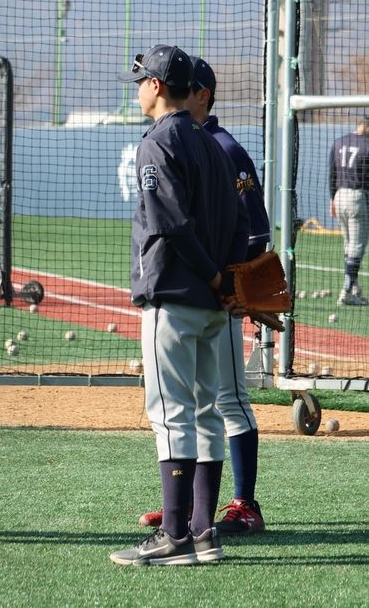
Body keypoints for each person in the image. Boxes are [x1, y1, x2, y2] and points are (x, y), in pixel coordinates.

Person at [109, 45, 249, 566]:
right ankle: (203, 532)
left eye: (142, 79)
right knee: (209, 415)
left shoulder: (159, 142)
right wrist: (227, 283)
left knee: (170, 415)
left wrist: (213, 276)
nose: (138, 87)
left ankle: (173, 537)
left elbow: (170, 224)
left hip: (175, 297)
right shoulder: (212, 145)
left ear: (158, 86)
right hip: (214, 306)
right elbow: (238, 226)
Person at [137, 56, 270, 535]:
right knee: (201, 406)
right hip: (208, 288)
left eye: (194, 86)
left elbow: (255, 229)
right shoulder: (197, 143)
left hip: (216, 294)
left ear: (202, 95)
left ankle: (243, 503)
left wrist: (231, 286)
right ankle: (195, 512)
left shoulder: (223, 148)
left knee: (226, 400)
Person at [329, 116, 369, 306]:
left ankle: (354, 289)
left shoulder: (339, 142)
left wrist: (332, 199)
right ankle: (345, 291)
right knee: (358, 246)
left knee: (348, 245)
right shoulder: (367, 145)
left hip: (339, 195)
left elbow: (332, 172)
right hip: (357, 197)